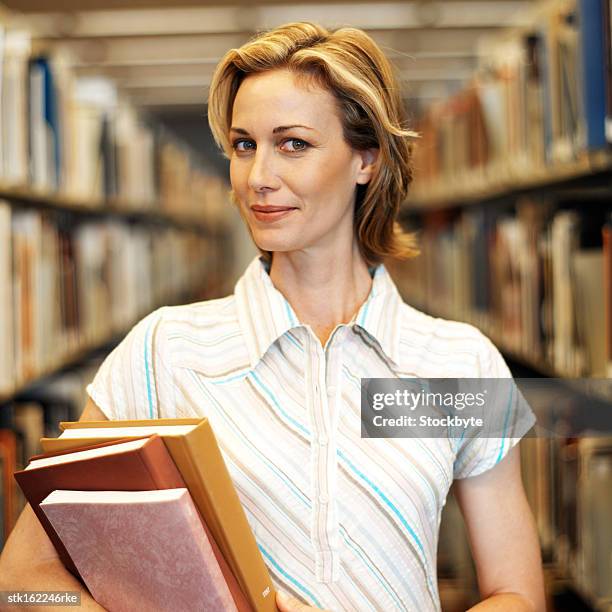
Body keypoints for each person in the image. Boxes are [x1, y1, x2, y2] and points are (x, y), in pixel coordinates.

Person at [0, 21, 545, 612]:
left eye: (294, 144)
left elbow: (516, 593)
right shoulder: (165, 351)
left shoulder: (458, 362)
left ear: (367, 158)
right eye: (243, 145)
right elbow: (20, 583)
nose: (258, 177)